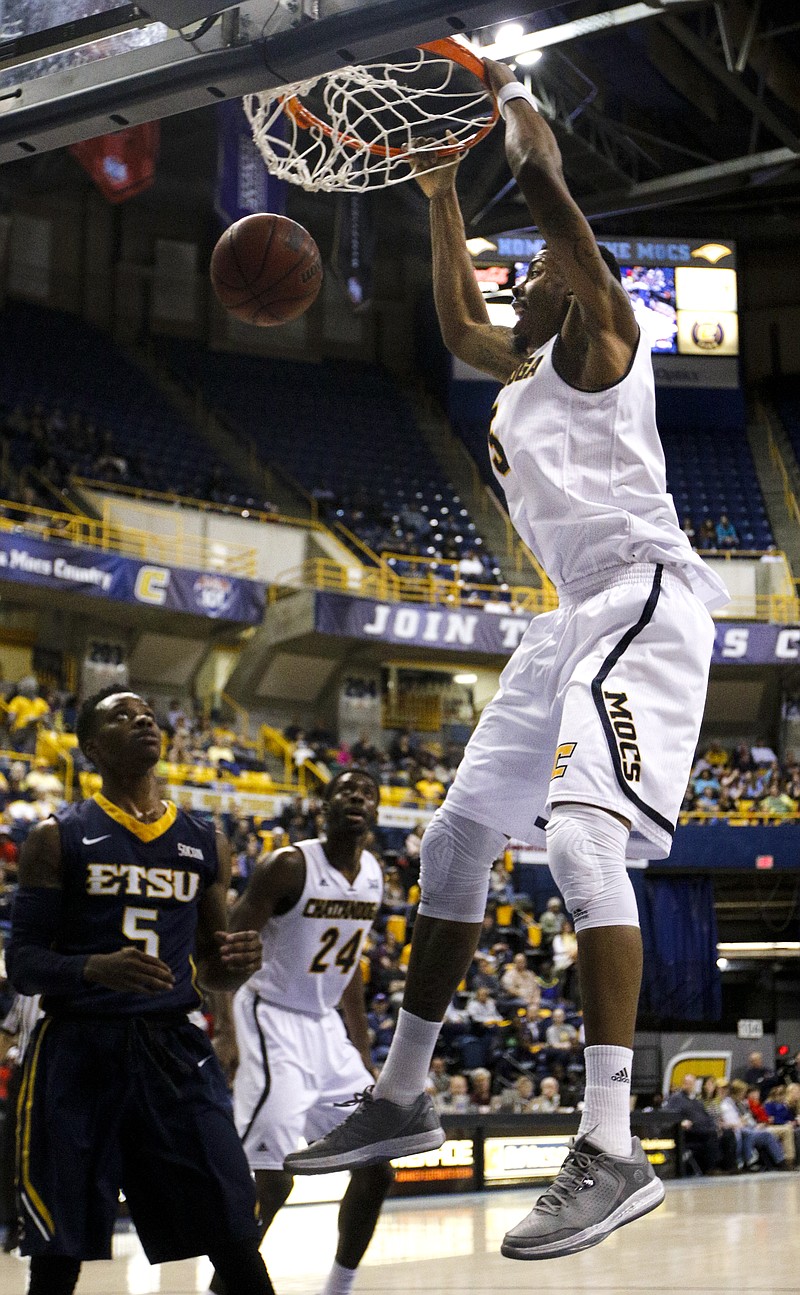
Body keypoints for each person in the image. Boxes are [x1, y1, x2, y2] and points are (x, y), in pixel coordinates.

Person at [285, 59, 729, 1264]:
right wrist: (435, 196)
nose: (524, 278)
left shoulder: (604, 344)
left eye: (538, 269)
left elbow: (540, 185)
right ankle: (404, 1088)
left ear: (569, 288)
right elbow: (456, 326)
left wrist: (511, 80)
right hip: (565, 620)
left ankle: (609, 1144)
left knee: (579, 841)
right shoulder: (523, 375)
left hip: (644, 600)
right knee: (453, 836)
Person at [5, 686, 273, 1295]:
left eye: (149, 714)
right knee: (59, 1249)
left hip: (173, 1048)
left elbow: (213, 963)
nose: (143, 721)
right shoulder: (57, 837)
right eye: (121, 717)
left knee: (234, 1229)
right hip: (77, 1048)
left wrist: (239, 962)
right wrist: (93, 968)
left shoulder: (208, 842)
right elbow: (22, 964)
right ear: (92, 747)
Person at [211, 770, 393, 1295]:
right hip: (270, 1018)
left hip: (325, 1030)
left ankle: (338, 1288)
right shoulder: (288, 866)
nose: (356, 796)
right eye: (345, 789)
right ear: (325, 806)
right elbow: (226, 946)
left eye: (367, 792)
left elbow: (350, 967)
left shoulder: (374, 875)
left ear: (375, 814)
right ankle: (222, 1288)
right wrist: (226, 1030)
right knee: (272, 1178)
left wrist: (361, 1052)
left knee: (377, 1167)